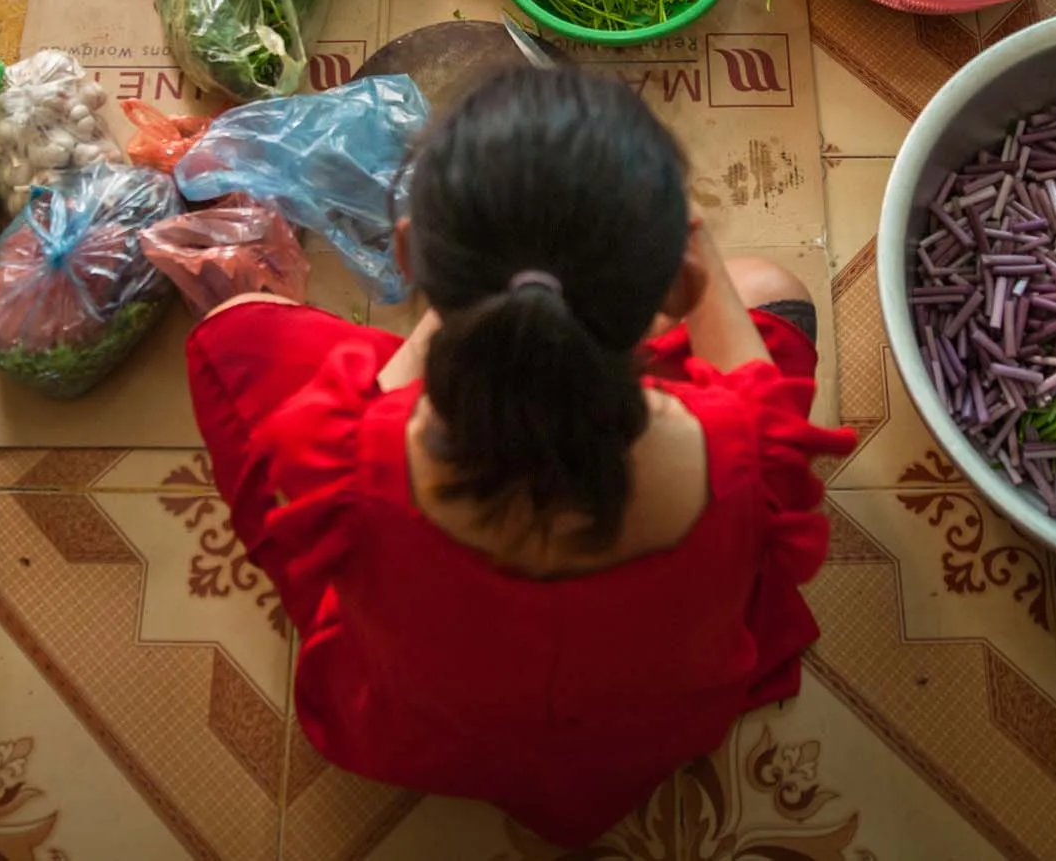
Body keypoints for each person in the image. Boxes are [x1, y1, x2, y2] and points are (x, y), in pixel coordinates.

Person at [185, 66, 856, 847]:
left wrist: (464, 287)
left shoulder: (346, 460)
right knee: (773, 289)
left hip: (420, 731)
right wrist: (686, 237)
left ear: (412, 255)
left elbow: (356, 415)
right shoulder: (743, 451)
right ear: (677, 281)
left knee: (237, 327)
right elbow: (757, 387)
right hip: (651, 729)